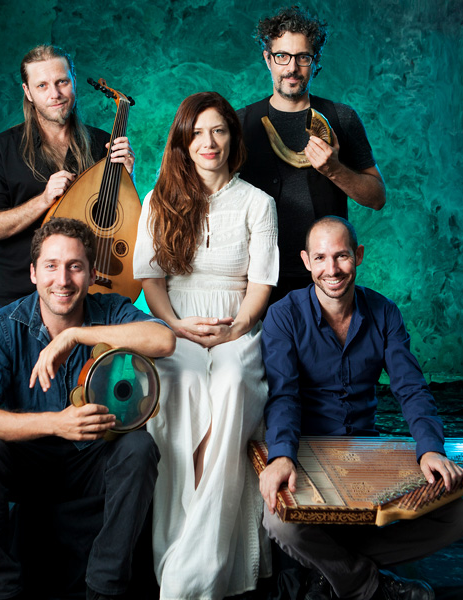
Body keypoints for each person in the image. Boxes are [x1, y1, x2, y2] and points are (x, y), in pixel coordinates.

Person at [0, 217, 175, 600]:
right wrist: (56, 423)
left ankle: (104, 588)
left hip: (94, 461)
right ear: (33, 273)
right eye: (51, 266)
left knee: (139, 448)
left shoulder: (110, 311)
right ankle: (2, 590)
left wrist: (76, 336)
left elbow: (163, 339)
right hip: (30, 463)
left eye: (75, 267)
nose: (63, 279)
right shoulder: (4, 326)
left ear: (91, 275)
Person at [259, 216, 463, 600]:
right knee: (280, 523)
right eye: (321, 258)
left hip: (365, 455)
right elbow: (284, 395)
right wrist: (281, 456)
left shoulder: (385, 312)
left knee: (457, 515)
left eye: (341, 256)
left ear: (358, 256)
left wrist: (430, 448)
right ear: (306, 261)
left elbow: (411, 388)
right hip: (309, 455)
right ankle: (370, 584)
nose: (332, 269)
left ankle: (333, 570)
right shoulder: (283, 315)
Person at [133, 92, 279, 599]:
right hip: (179, 326)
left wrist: (236, 329)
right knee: (185, 387)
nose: (208, 142)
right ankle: (178, 541)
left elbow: (262, 284)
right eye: (197, 132)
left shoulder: (258, 202)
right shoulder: (158, 198)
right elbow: (151, 280)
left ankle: (207, 556)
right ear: (183, 140)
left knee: (235, 385)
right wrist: (176, 324)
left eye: (218, 130)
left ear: (232, 138)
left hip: (239, 325)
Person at [0, 44, 136, 312]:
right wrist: (44, 199)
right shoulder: (3, 147)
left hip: (84, 295)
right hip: (17, 296)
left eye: (62, 82)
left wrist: (128, 180)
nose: (55, 94)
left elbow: (117, 222)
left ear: (74, 82)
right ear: (28, 92)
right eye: (42, 86)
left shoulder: (104, 142)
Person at [237, 6, 386, 304]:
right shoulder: (240, 123)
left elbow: (377, 197)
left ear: (315, 62)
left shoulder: (342, 118)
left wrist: (334, 169)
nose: (292, 68)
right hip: (258, 280)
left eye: (303, 57)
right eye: (282, 56)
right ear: (268, 59)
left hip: (325, 280)